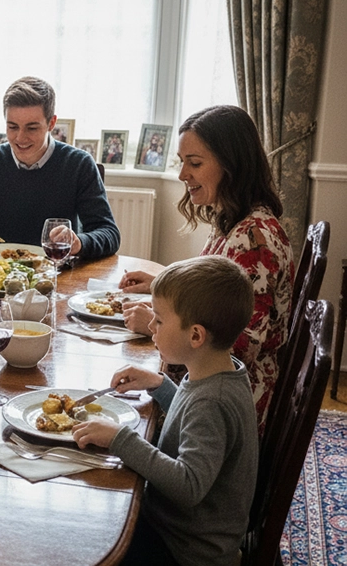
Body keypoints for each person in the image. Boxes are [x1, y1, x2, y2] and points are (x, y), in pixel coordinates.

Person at [118, 105, 294, 433]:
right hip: (211, 388)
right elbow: (218, 296)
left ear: (231, 166)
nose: (183, 175)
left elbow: (239, 346)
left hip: (228, 410)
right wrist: (163, 283)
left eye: (195, 163)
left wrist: (156, 328)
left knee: (122, 420)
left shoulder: (253, 242)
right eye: (182, 162)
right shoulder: (233, 217)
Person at [73, 255, 258, 565]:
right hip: (179, 531)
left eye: (159, 320)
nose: (151, 326)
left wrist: (120, 439)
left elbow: (189, 486)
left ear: (196, 335)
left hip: (185, 550)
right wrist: (159, 385)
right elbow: (191, 421)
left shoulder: (212, 400)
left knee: (88, 535)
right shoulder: (217, 372)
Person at [0, 76, 120, 259]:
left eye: (32, 128)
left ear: (51, 123)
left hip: (57, 275)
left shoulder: (79, 164)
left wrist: (79, 242)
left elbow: (109, 233)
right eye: (12, 127)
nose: (20, 138)